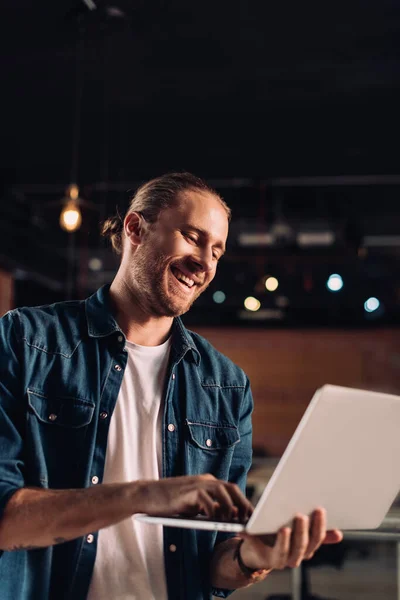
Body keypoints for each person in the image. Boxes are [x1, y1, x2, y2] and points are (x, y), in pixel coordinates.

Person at [0, 172, 342, 600]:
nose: (205, 262)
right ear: (135, 229)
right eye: (192, 237)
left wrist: (252, 557)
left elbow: (214, 566)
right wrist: (145, 495)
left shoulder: (227, 386)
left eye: (216, 250)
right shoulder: (26, 341)